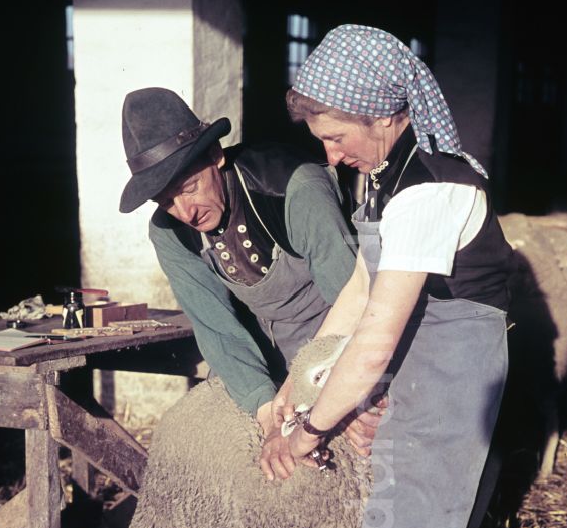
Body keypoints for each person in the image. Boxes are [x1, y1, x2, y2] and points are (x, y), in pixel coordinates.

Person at [259, 25, 517, 528]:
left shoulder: (435, 183)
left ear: (384, 114)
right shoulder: (385, 175)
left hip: (455, 384)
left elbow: (376, 338)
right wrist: (301, 383)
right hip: (420, 367)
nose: (330, 154)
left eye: (336, 137)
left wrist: (311, 432)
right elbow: (358, 297)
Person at [119, 87, 381, 461]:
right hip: (262, 349)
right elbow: (217, 330)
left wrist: (342, 393)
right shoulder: (169, 231)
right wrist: (265, 411)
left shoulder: (294, 188)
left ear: (215, 155)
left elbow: (353, 299)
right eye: (166, 201)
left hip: (334, 338)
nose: (186, 212)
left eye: (189, 188)